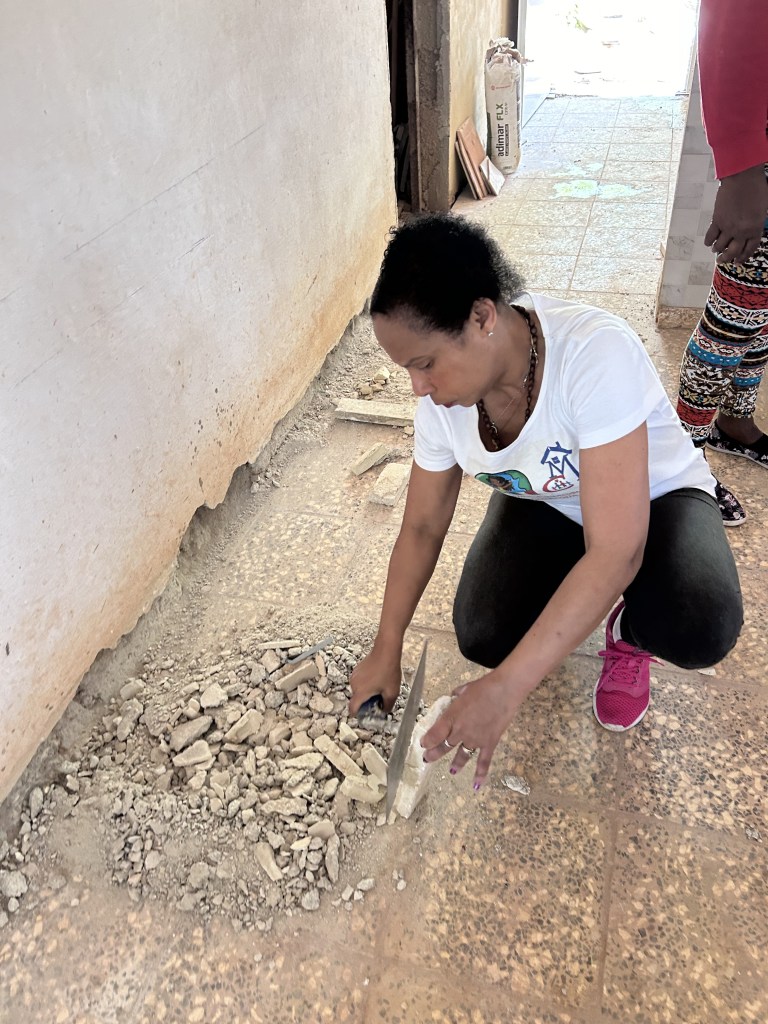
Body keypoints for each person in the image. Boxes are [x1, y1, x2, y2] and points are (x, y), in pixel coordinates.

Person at [349, 214, 743, 791]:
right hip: (550, 496)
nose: (418, 387)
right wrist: (388, 646)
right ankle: (565, 585)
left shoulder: (594, 354)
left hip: (656, 499)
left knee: (699, 620)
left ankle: (629, 633)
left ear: (482, 317)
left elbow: (617, 550)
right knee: (484, 632)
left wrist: (506, 690)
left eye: (425, 363)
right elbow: (423, 527)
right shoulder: (441, 407)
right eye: (408, 369)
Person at [675, 0, 768, 525]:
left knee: (762, 315)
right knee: (732, 320)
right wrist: (742, 170)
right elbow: (732, 22)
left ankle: (735, 422)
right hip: (763, 168)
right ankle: (683, 457)